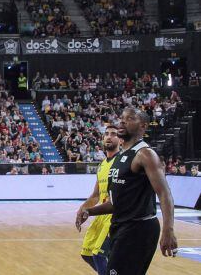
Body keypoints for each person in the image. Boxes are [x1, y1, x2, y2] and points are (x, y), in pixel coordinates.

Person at [76, 107, 179, 275]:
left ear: (143, 126)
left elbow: (164, 193)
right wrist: (89, 211)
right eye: (122, 117)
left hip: (139, 228)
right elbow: (116, 203)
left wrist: (169, 229)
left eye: (130, 118)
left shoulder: (145, 154)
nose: (122, 121)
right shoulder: (120, 158)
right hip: (121, 227)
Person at [76, 125, 121, 275]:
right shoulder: (102, 165)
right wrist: (82, 209)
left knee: (99, 255)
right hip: (101, 213)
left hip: (114, 215)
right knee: (86, 254)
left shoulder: (122, 162)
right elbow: (96, 195)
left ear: (120, 139)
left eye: (113, 134)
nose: (109, 136)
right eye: (106, 134)